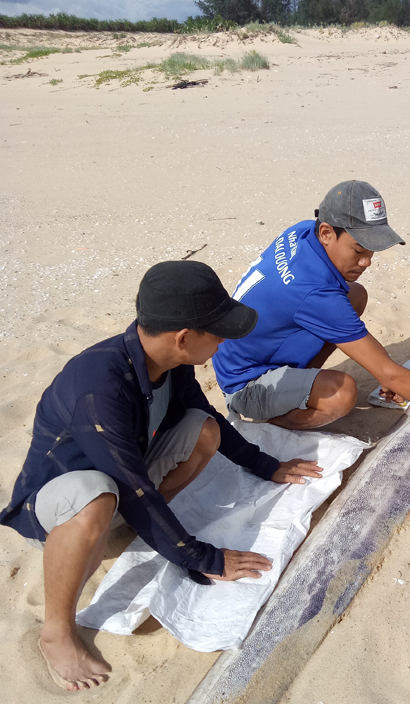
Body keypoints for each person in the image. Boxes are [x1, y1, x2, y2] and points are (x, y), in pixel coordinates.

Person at [0, 261, 321, 693]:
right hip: (63, 502)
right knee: (98, 497)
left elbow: (204, 417)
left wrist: (265, 465)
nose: (224, 339)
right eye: (218, 330)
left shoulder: (170, 362)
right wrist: (202, 558)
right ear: (184, 337)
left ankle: (137, 525)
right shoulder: (99, 388)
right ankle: (56, 631)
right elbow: (131, 485)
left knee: (202, 429)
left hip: (121, 480)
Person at [212, 180, 410, 439]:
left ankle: (303, 377)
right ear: (327, 233)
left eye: (372, 250)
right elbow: (389, 373)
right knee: (343, 394)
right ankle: (271, 423)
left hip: (239, 352)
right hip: (245, 385)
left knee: (355, 295)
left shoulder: (302, 232)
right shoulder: (315, 293)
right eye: (359, 250)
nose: (367, 262)